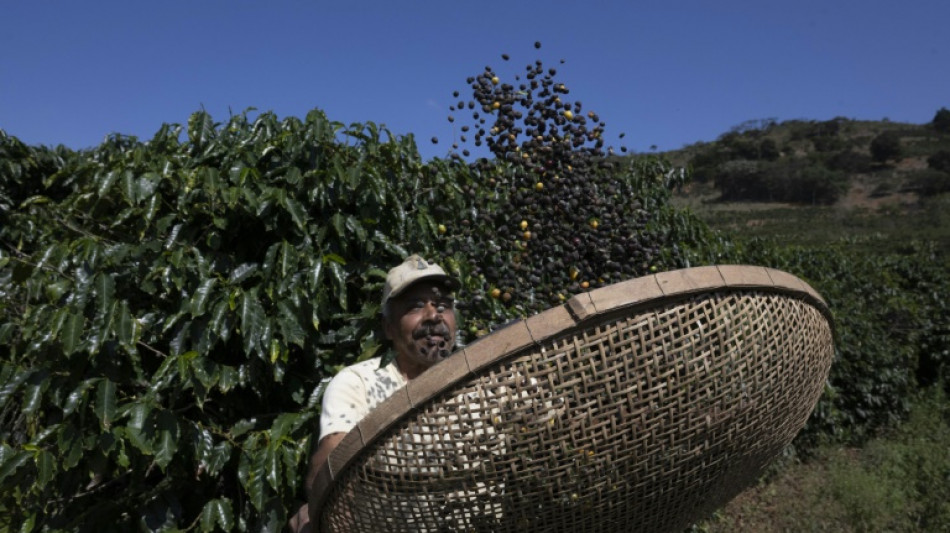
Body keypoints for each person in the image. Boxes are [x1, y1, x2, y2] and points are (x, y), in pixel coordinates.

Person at [289, 254, 460, 533]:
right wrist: (322, 505)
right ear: (388, 327)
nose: (433, 316)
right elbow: (332, 460)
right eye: (416, 306)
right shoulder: (360, 383)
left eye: (443, 306)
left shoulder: (483, 382)